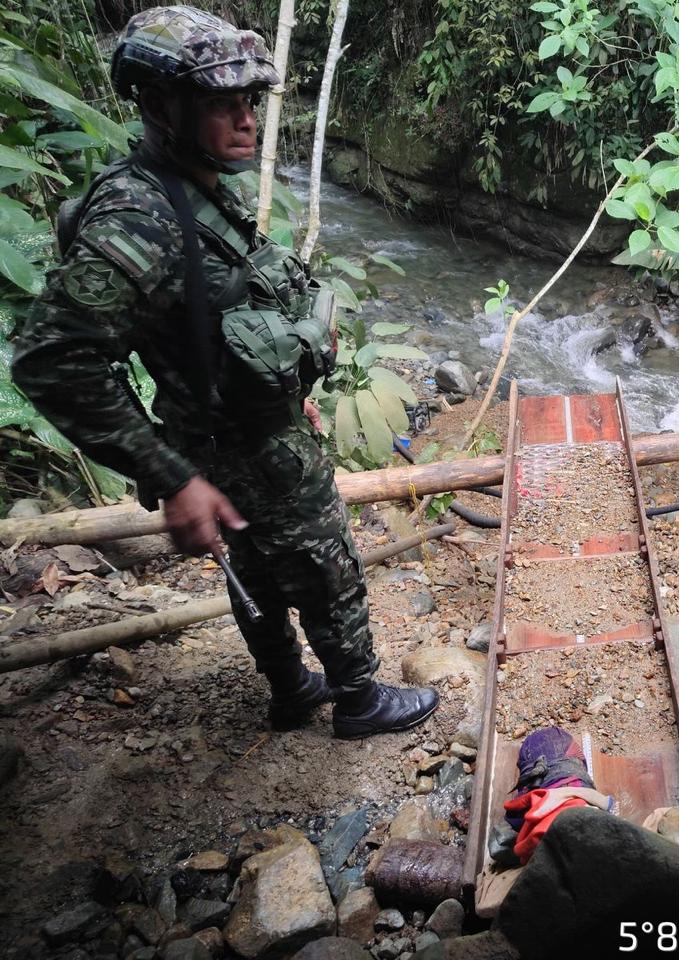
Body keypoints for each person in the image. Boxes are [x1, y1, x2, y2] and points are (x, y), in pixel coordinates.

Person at [12, 5, 438, 740]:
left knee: (257, 573)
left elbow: (219, 318)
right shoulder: (135, 220)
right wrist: (170, 474)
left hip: (233, 432)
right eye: (222, 105)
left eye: (249, 103)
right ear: (158, 106)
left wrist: (281, 395)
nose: (245, 121)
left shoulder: (193, 184)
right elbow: (54, 359)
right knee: (324, 563)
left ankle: (290, 691)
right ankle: (359, 700)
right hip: (235, 452)